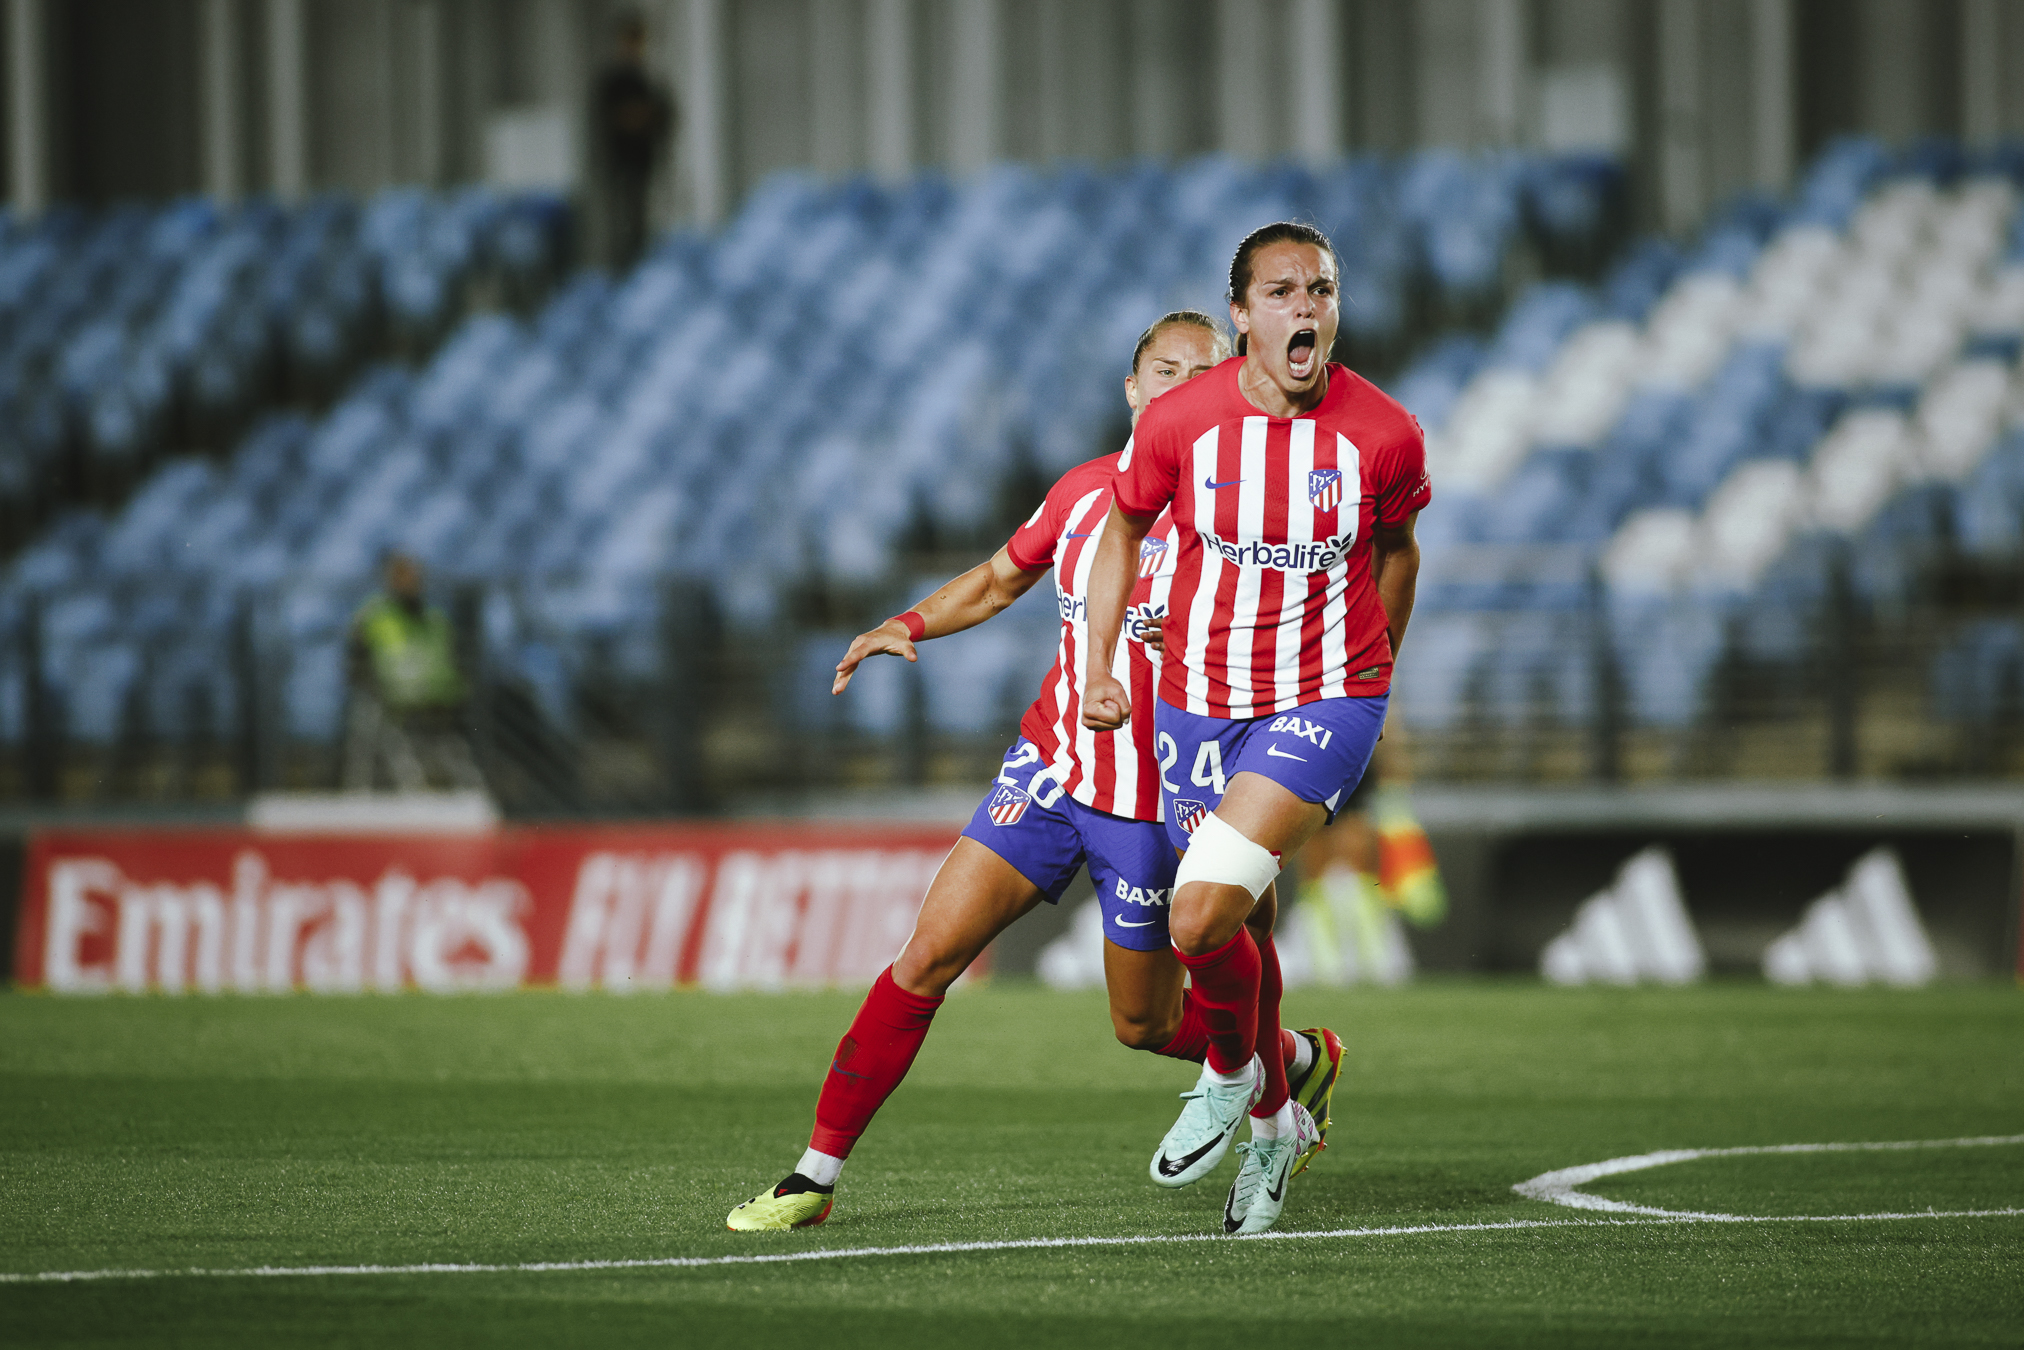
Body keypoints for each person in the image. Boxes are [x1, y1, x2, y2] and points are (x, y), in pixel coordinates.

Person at [725, 312, 1345, 1232]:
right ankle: (813, 1177)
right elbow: (998, 576)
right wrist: (911, 623)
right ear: (1133, 392)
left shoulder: (1245, 518)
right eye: (1163, 370)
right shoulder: (1087, 494)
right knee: (927, 956)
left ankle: (1284, 1062)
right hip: (1052, 772)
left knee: (1141, 1024)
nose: (1182, 384)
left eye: (1204, 372)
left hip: (1158, 804)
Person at [1080, 222, 1429, 1235]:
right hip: (1196, 700)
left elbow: (1398, 551)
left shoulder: (1382, 432)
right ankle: (1279, 1124)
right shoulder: (1184, 421)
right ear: (1241, 315)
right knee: (1247, 925)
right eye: (1281, 292)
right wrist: (1102, 666)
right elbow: (1123, 528)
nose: (1305, 307)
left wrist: (1377, 667)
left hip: (1323, 700)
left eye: (1319, 289)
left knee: (1194, 920)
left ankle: (1233, 1072)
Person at [343, 551, 485, 792]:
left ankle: (471, 791)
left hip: (437, 700)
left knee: (452, 749)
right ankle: (380, 790)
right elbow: (355, 658)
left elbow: (452, 661)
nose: (410, 583)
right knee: (376, 730)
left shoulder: (435, 619)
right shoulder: (374, 618)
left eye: (413, 577)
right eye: (402, 577)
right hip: (391, 698)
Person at [592, 11, 674, 273]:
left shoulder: (647, 80)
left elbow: (664, 115)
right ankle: (622, 268)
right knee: (621, 223)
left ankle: (642, 265)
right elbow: (611, 119)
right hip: (619, 163)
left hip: (644, 160)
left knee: (643, 222)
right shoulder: (613, 81)